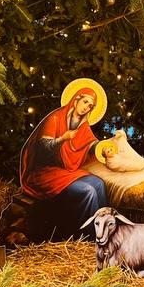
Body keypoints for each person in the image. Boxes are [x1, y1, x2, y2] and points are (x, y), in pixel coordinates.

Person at [18, 78, 113, 240]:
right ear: (76, 99)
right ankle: (90, 238)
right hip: (44, 172)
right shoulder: (55, 118)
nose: (86, 107)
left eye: (90, 106)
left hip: (65, 171)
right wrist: (62, 139)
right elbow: (42, 148)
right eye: (85, 102)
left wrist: (103, 148)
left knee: (99, 184)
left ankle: (106, 233)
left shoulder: (83, 125)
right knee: (88, 192)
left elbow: (90, 144)